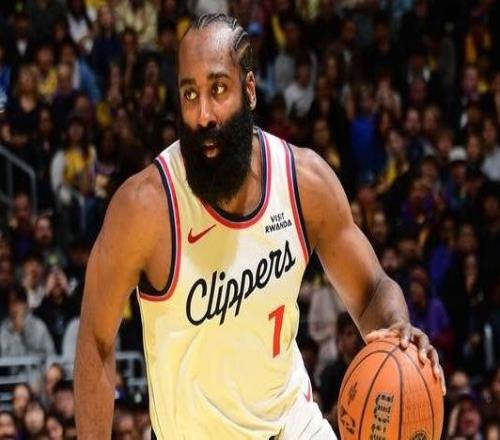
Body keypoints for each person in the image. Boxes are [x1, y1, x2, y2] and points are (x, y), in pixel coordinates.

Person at [75, 14, 445, 439]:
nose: (203, 114)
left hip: (294, 426)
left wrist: (397, 328)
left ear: (249, 89)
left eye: (218, 89)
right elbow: (96, 341)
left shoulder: (304, 181)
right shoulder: (145, 207)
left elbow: (372, 290)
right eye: (190, 94)